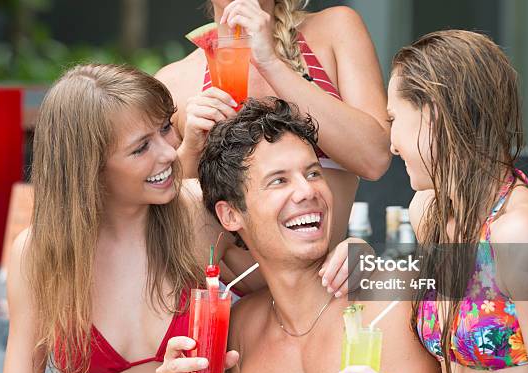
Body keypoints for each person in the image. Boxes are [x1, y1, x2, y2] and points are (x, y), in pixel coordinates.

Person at [0, 64, 352, 373]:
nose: (170, 152)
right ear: (90, 169)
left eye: (166, 128)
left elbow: (302, 280)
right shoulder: (37, 253)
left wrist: (364, 262)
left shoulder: (202, 213)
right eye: (141, 148)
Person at [332, 30, 528, 373]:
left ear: (432, 113)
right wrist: (369, 263)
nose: (391, 144)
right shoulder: (430, 212)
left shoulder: (519, 232)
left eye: (394, 119)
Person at [155, 97, 442, 373]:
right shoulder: (241, 329)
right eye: (279, 181)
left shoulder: (395, 298)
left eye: (313, 173)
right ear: (230, 215)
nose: (307, 191)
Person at [156, 0, 392, 283]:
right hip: (228, 302)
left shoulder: (334, 30)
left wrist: (271, 64)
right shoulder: (175, 81)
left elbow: (374, 158)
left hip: (323, 290)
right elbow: (160, 214)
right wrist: (191, 149)